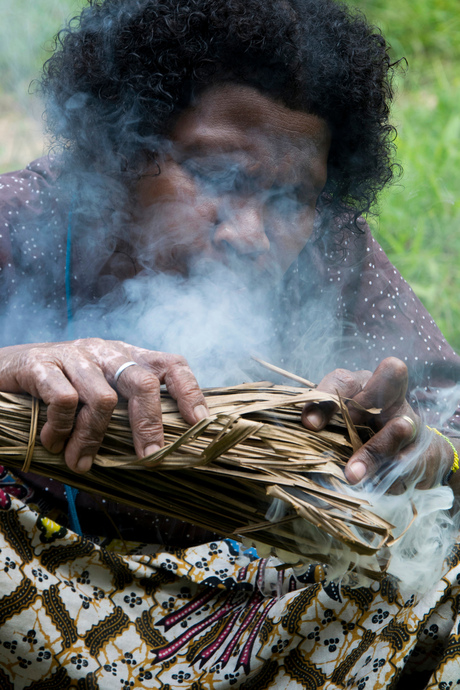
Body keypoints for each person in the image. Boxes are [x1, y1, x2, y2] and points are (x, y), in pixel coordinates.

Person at [0, 0, 459, 687]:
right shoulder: (21, 221)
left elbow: (444, 411)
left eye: (289, 199)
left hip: (255, 618)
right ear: (122, 152)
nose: (249, 232)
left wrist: (414, 444)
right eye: (217, 176)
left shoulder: (329, 252)